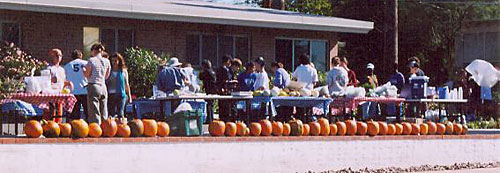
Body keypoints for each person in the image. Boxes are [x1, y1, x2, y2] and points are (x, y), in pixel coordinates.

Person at [83, 43, 111, 124]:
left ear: (93, 51)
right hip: (103, 86)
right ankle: (106, 127)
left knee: (94, 110)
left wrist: (84, 71)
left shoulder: (91, 60)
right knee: (104, 109)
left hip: (93, 84)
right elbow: (106, 76)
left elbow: (88, 74)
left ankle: (96, 128)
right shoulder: (107, 61)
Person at [106, 53, 132, 123]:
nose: (114, 63)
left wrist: (129, 96)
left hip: (121, 95)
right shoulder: (109, 71)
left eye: (115, 61)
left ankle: (121, 128)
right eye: (112, 61)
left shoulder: (123, 71)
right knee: (111, 114)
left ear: (119, 61)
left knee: (120, 113)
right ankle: (112, 129)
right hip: (111, 94)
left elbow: (126, 84)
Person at [64, 49, 88, 120]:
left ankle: (75, 128)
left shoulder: (67, 65)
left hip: (73, 91)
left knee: (75, 114)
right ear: (81, 56)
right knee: (87, 113)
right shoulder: (86, 63)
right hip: (84, 90)